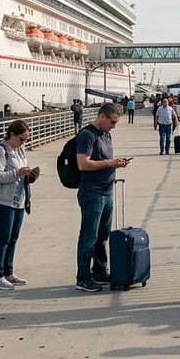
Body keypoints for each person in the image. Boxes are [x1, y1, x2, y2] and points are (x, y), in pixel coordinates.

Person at [74, 102, 129, 292]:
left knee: (102, 236)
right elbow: (83, 164)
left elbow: (104, 160)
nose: (114, 126)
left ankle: (98, 270)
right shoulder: (87, 135)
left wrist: (116, 163)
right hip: (92, 192)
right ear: (102, 117)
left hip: (106, 191)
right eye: (112, 122)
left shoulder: (106, 134)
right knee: (89, 236)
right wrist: (109, 163)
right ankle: (83, 277)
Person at [0, 120, 39, 291]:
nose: (24, 142)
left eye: (26, 139)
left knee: (13, 238)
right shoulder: (0, 151)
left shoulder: (20, 150)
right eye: (22, 139)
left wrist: (29, 175)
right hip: (3, 201)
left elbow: (20, 172)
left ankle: (8, 272)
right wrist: (17, 173)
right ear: (12, 135)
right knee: (3, 239)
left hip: (18, 200)